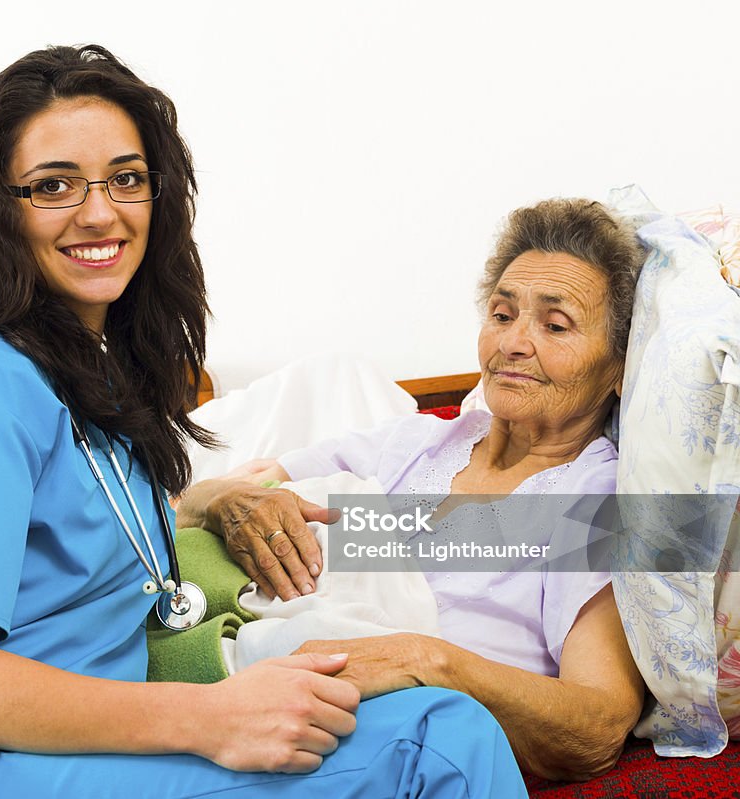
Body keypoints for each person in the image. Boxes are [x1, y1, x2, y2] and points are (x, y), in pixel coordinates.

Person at [0, 45, 527, 799]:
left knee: (430, 719)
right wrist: (212, 715)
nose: (100, 211)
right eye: (54, 185)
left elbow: (65, 536)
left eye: (126, 178)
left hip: (43, 754)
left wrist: (206, 497)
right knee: (436, 738)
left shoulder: (90, 378)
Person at [178, 198, 649, 783]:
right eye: (502, 316)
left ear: (621, 367)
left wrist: (425, 661)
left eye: (554, 326)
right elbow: (198, 501)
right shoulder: (418, 442)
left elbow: (599, 725)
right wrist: (228, 502)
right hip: (250, 672)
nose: (513, 343)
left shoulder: (600, 501)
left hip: (383, 741)